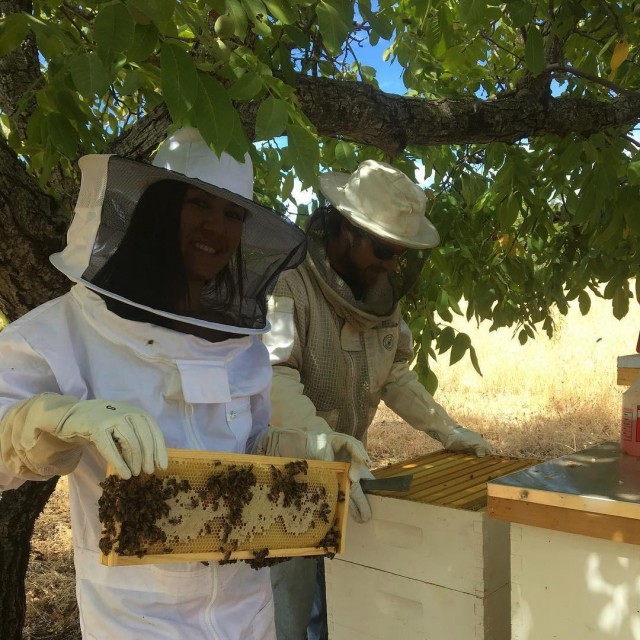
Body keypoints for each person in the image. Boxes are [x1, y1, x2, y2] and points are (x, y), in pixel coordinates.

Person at [0, 126, 314, 639]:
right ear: (161, 210)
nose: (218, 226)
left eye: (233, 214)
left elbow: (250, 444)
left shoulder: (241, 343)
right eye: (199, 205)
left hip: (246, 609)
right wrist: (59, 419)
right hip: (137, 616)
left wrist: (299, 447)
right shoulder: (68, 329)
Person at [261, 159, 493, 640]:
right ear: (347, 230)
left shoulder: (378, 292)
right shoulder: (289, 284)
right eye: (385, 249)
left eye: (399, 254)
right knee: (289, 613)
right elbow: (274, 375)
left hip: (348, 475)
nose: (392, 264)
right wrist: (321, 444)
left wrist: (446, 429)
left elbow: (395, 376)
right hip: (286, 479)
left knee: (343, 608)